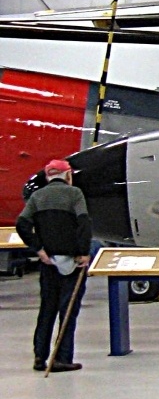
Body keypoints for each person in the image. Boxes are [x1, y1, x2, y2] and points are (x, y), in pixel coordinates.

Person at [16, 159, 93, 372]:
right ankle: (62, 357)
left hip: (48, 262)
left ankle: (39, 357)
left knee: (47, 310)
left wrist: (38, 250)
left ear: (48, 176)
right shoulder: (75, 194)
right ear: (67, 175)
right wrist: (83, 253)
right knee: (68, 310)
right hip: (72, 261)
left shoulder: (37, 196)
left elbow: (22, 224)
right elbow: (84, 223)